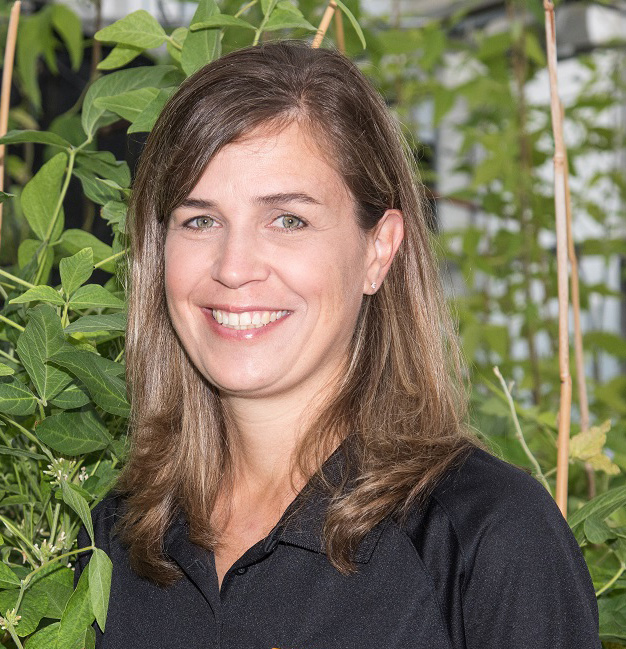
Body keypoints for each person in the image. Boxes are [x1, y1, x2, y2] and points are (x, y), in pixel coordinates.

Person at [75, 40, 600, 648]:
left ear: (380, 249)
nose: (234, 266)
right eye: (200, 220)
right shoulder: (113, 540)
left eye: (288, 220)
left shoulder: (486, 536)